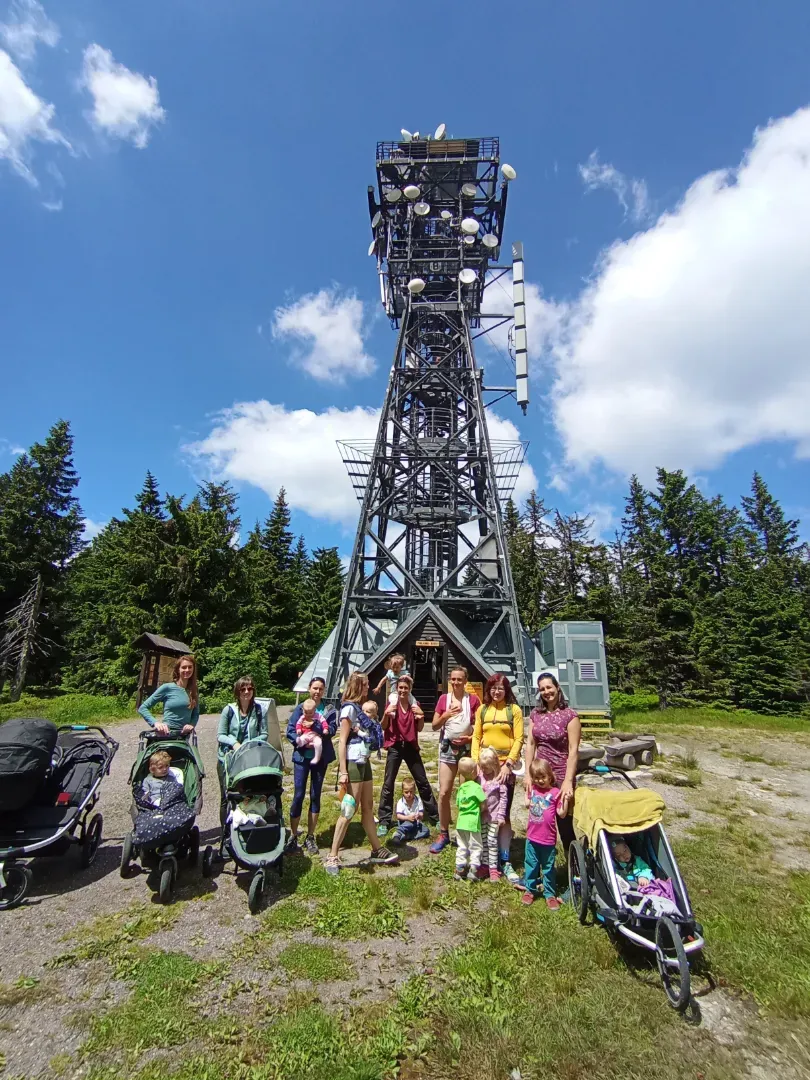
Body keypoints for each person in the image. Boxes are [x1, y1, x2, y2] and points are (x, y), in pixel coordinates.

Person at [325, 672, 399, 875]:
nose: (368, 687)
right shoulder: (349, 709)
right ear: (358, 686)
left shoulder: (359, 708)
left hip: (363, 761)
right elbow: (342, 741)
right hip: (352, 762)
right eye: (365, 684)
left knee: (367, 807)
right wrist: (342, 771)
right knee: (349, 809)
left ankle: (376, 849)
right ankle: (332, 855)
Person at [471, 673, 524, 883]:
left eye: (500, 688)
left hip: (504, 768)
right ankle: (485, 857)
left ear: (506, 690)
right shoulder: (482, 710)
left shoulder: (514, 711)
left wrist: (509, 764)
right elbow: (476, 737)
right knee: (484, 811)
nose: (496, 691)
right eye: (493, 688)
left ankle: (504, 858)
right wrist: (476, 762)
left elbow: (519, 738)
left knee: (503, 813)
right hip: (485, 766)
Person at [524, 672, 581, 852]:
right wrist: (527, 774)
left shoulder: (570, 715)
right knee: (540, 822)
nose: (546, 692)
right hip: (540, 776)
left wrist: (568, 781)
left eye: (549, 687)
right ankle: (542, 868)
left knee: (564, 824)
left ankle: (575, 870)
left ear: (557, 688)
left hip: (562, 774)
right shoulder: (536, 714)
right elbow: (531, 744)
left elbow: (573, 750)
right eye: (542, 689)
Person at [376, 674, 438, 837]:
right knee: (388, 784)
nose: (403, 690)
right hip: (395, 746)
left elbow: (419, 727)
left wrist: (422, 716)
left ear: (410, 689)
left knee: (422, 781)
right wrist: (386, 714)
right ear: (397, 689)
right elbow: (383, 725)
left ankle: (434, 817)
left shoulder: (414, 704)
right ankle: (384, 820)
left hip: (410, 745)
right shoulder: (392, 704)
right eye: (400, 688)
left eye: (406, 688)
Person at [430, 666, 481, 854]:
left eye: (459, 679)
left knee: (466, 793)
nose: (456, 682)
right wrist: (446, 715)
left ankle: (465, 833)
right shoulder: (444, 699)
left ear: (465, 681)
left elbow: (478, 727)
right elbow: (434, 726)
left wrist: (469, 738)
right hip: (448, 748)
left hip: (466, 749)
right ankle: (443, 833)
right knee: (444, 792)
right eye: (453, 679)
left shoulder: (473, 701)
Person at [286, 677, 338, 856]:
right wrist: (301, 743)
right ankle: (293, 836)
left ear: (324, 691)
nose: (317, 692)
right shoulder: (301, 708)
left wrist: (315, 725)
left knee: (315, 795)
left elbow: (331, 729)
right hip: (301, 758)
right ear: (309, 689)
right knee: (298, 794)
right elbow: (290, 730)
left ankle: (310, 836)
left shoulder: (329, 709)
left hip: (319, 759)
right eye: (315, 688)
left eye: (320, 689)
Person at [217, 676, 267, 826]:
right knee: (227, 796)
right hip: (228, 759)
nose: (246, 691)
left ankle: (246, 825)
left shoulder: (259, 710)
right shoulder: (229, 710)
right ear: (237, 691)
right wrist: (235, 743)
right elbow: (220, 735)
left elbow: (264, 733)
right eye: (243, 689)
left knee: (248, 793)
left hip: (249, 758)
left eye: (250, 688)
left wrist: (250, 744)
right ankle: (224, 833)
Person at [520, 758, 563, 909]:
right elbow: (526, 805)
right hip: (532, 837)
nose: (540, 781)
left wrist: (566, 800)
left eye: (543, 777)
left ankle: (550, 894)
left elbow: (561, 814)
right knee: (531, 864)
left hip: (548, 839)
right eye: (536, 778)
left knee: (548, 867)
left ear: (550, 776)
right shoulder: (534, 790)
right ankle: (530, 889)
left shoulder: (555, 792)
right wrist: (527, 792)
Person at [138, 655, 199, 735]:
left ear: (193, 669)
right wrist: (155, 723)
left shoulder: (193, 690)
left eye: (190, 667)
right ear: (178, 669)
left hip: (183, 736)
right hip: (166, 734)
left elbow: (195, 714)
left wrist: (191, 725)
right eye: (184, 667)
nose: (187, 670)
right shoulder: (167, 688)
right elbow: (143, 708)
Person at [477, 747, 508, 881]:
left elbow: (503, 798)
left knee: (492, 840)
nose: (484, 770)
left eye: (486, 768)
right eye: (482, 767)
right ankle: (485, 864)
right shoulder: (480, 778)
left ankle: (494, 868)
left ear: (494, 765)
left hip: (494, 816)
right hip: (482, 816)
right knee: (483, 841)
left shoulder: (498, 780)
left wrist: (501, 815)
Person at [454, 756, 486, 881]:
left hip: (461, 822)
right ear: (474, 772)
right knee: (476, 845)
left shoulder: (461, 788)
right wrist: (481, 809)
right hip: (473, 822)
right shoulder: (477, 787)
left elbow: (457, 804)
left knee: (462, 845)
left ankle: (460, 868)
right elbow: (483, 803)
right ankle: (474, 869)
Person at [390, 777, 430, 845]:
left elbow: (421, 814)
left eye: (411, 792)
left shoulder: (418, 800)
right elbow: (398, 816)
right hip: (405, 823)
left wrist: (419, 815)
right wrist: (407, 818)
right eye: (406, 792)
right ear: (402, 791)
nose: (409, 794)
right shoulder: (401, 802)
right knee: (411, 822)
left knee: (426, 831)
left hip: (416, 824)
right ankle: (398, 833)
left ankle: (406, 836)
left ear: (415, 790)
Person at [295, 698, 323, 764]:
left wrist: (316, 725)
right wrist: (298, 729)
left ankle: (317, 757)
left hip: (315, 736)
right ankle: (301, 743)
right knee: (302, 738)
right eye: (315, 688)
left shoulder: (319, 715)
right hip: (301, 754)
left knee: (318, 743)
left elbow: (328, 726)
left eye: (310, 713)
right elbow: (295, 725)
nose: (308, 715)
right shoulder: (301, 712)